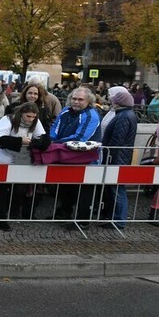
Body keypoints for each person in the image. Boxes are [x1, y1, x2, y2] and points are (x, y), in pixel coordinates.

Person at [0, 102, 50, 230]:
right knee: (1, 188)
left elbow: (44, 138)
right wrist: (20, 141)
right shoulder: (7, 120)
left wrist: (36, 143)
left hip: (19, 159)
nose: (30, 120)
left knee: (18, 187)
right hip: (0, 158)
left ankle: (13, 212)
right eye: (28, 116)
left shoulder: (35, 122)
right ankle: (1, 218)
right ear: (21, 114)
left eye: (33, 117)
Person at [50, 87, 103, 223]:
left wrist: (55, 143)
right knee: (65, 187)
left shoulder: (91, 115)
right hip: (66, 155)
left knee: (84, 191)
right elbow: (55, 127)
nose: (76, 102)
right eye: (74, 98)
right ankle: (64, 213)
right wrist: (51, 139)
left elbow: (80, 137)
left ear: (88, 101)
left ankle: (83, 221)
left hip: (87, 159)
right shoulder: (65, 111)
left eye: (80, 99)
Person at [99, 86, 137, 230]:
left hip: (116, 158)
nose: (111, 101)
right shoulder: (126, 114)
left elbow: (117, 140)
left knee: (117, 189)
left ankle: (119, 219)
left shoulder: (123, 116)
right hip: (120, 157)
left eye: (113, 100)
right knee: (116, 189)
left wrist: (108, 153)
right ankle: (115, 217)